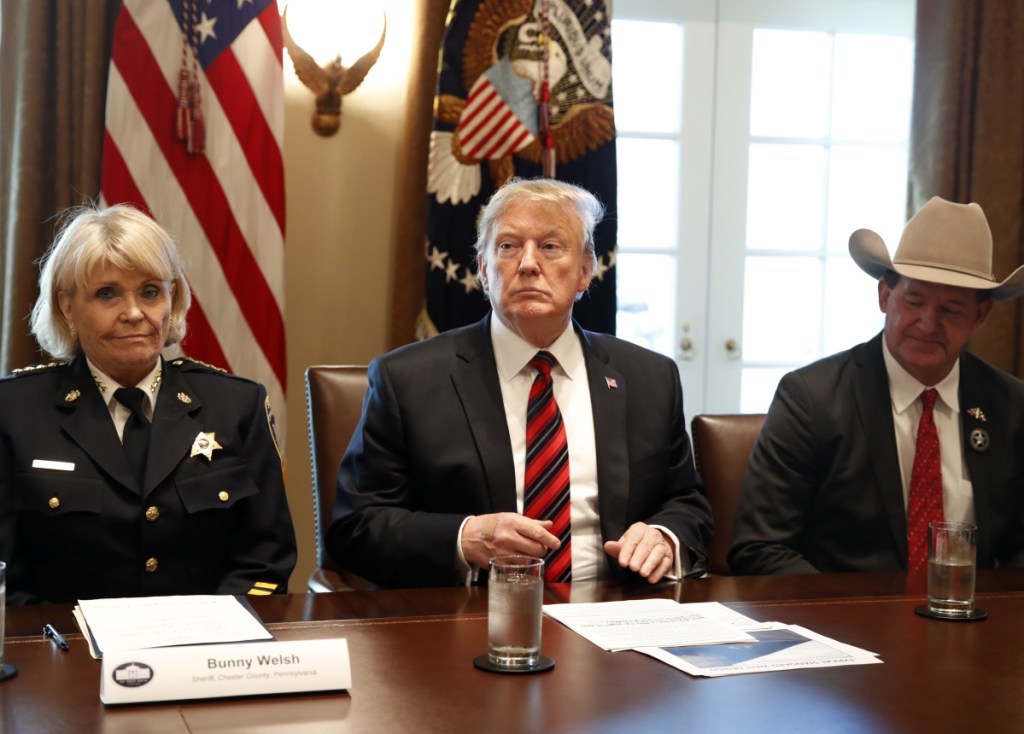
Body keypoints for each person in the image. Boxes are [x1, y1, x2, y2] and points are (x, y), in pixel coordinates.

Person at [327, 177, 712, 587]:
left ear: (585, 271)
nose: (528, 264)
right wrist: (463, 538)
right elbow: (356, 526)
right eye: (508, 247)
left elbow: (686, 503)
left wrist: (664, 538)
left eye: (550, 246)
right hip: (467, 616)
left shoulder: (649, 378)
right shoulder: (406, 380)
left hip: (612, 614)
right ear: (484, 270)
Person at [0, 204, 296, 604]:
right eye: (107, 294)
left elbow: (265, 559)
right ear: (67, 307)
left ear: (171, 300)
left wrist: (212, 639)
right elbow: (7, 577)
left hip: (205, 649)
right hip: (66, 652)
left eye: (151, 291)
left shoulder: (237, 405)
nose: (135, 313)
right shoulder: (14, 411)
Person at [729, 196, 1024, 575]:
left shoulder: (1010, 406)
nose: (927, 323)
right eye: (914, 301)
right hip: (843, 624)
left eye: (950, 309)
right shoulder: (812, 399)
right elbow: (759, 548)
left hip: (969, 623)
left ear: (980, 316)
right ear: (885, 295)